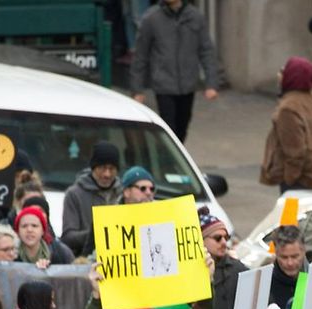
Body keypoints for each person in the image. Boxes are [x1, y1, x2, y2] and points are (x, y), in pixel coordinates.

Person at [130, 0, 220, 141]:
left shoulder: (195, 17)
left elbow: (206, 50)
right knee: (169, 129)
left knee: (182, 128)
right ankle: (170, 160)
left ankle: (177, 157)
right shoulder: (152, 18)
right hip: (164, 84)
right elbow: (140, 56)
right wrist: (137, 89)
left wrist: (211, 83)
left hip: (188, 84)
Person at [261, 57, 312, 191]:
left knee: (290, 212)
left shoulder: (288, 109)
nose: (279, 75)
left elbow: (295, 151)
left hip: (299, 181)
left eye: (283, 71)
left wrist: (289, 179)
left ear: (292, 76)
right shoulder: (311, 100)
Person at [59, 141, 121, 258]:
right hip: (86, 262)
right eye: (102, 168)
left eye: (111, 169)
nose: (107, 174)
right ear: (93, 168)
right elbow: (68, 237)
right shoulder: (74, 194)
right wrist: (98, 234)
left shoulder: (122, 193)